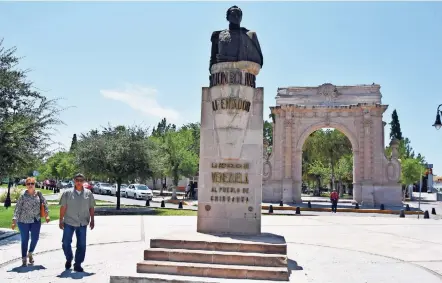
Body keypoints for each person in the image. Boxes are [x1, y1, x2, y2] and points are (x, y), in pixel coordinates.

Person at [59, 173, 95, 272]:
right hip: (69, 221)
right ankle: (69, 258)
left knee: (82, 245)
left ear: (83, 181)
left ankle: (78, 263)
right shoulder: (67, 193)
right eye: (77, 180)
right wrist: (60, 219)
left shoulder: (88, 193)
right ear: (74, 181)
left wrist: (92, 220)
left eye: (81, 180)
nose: (79, 182)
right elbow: (63, 207)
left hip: (82, 223)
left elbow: (91, 207)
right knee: (66, 243)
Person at [11, 177, 50, 266]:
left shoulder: (39, 194)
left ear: (34, 184)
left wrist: (47, 215)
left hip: (36, 220)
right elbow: (17, 209)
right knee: (25, 240)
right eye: (28, 184)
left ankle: (30, 252)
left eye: (32, 183)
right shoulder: (22, 196)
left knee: (35, 239)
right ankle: (24, 258)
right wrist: (14, 221)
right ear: (26, 185)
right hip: (23, 221)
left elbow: (45, 204)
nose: (30, 185)